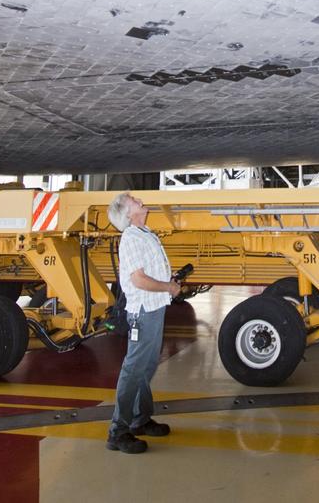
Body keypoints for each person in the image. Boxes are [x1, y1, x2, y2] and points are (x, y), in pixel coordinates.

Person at [105, 191, 182, 454]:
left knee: (147, 365)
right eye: (134, 201)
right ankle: (118, 431)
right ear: (129, 213)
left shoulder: (144, 232)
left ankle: (140, 418)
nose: (139, 201)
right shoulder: (130, 238)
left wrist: (168, 281)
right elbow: (138, 279)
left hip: (155, 306)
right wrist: (168, 287)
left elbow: (148, 270)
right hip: (143, 310)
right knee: (134, 368)